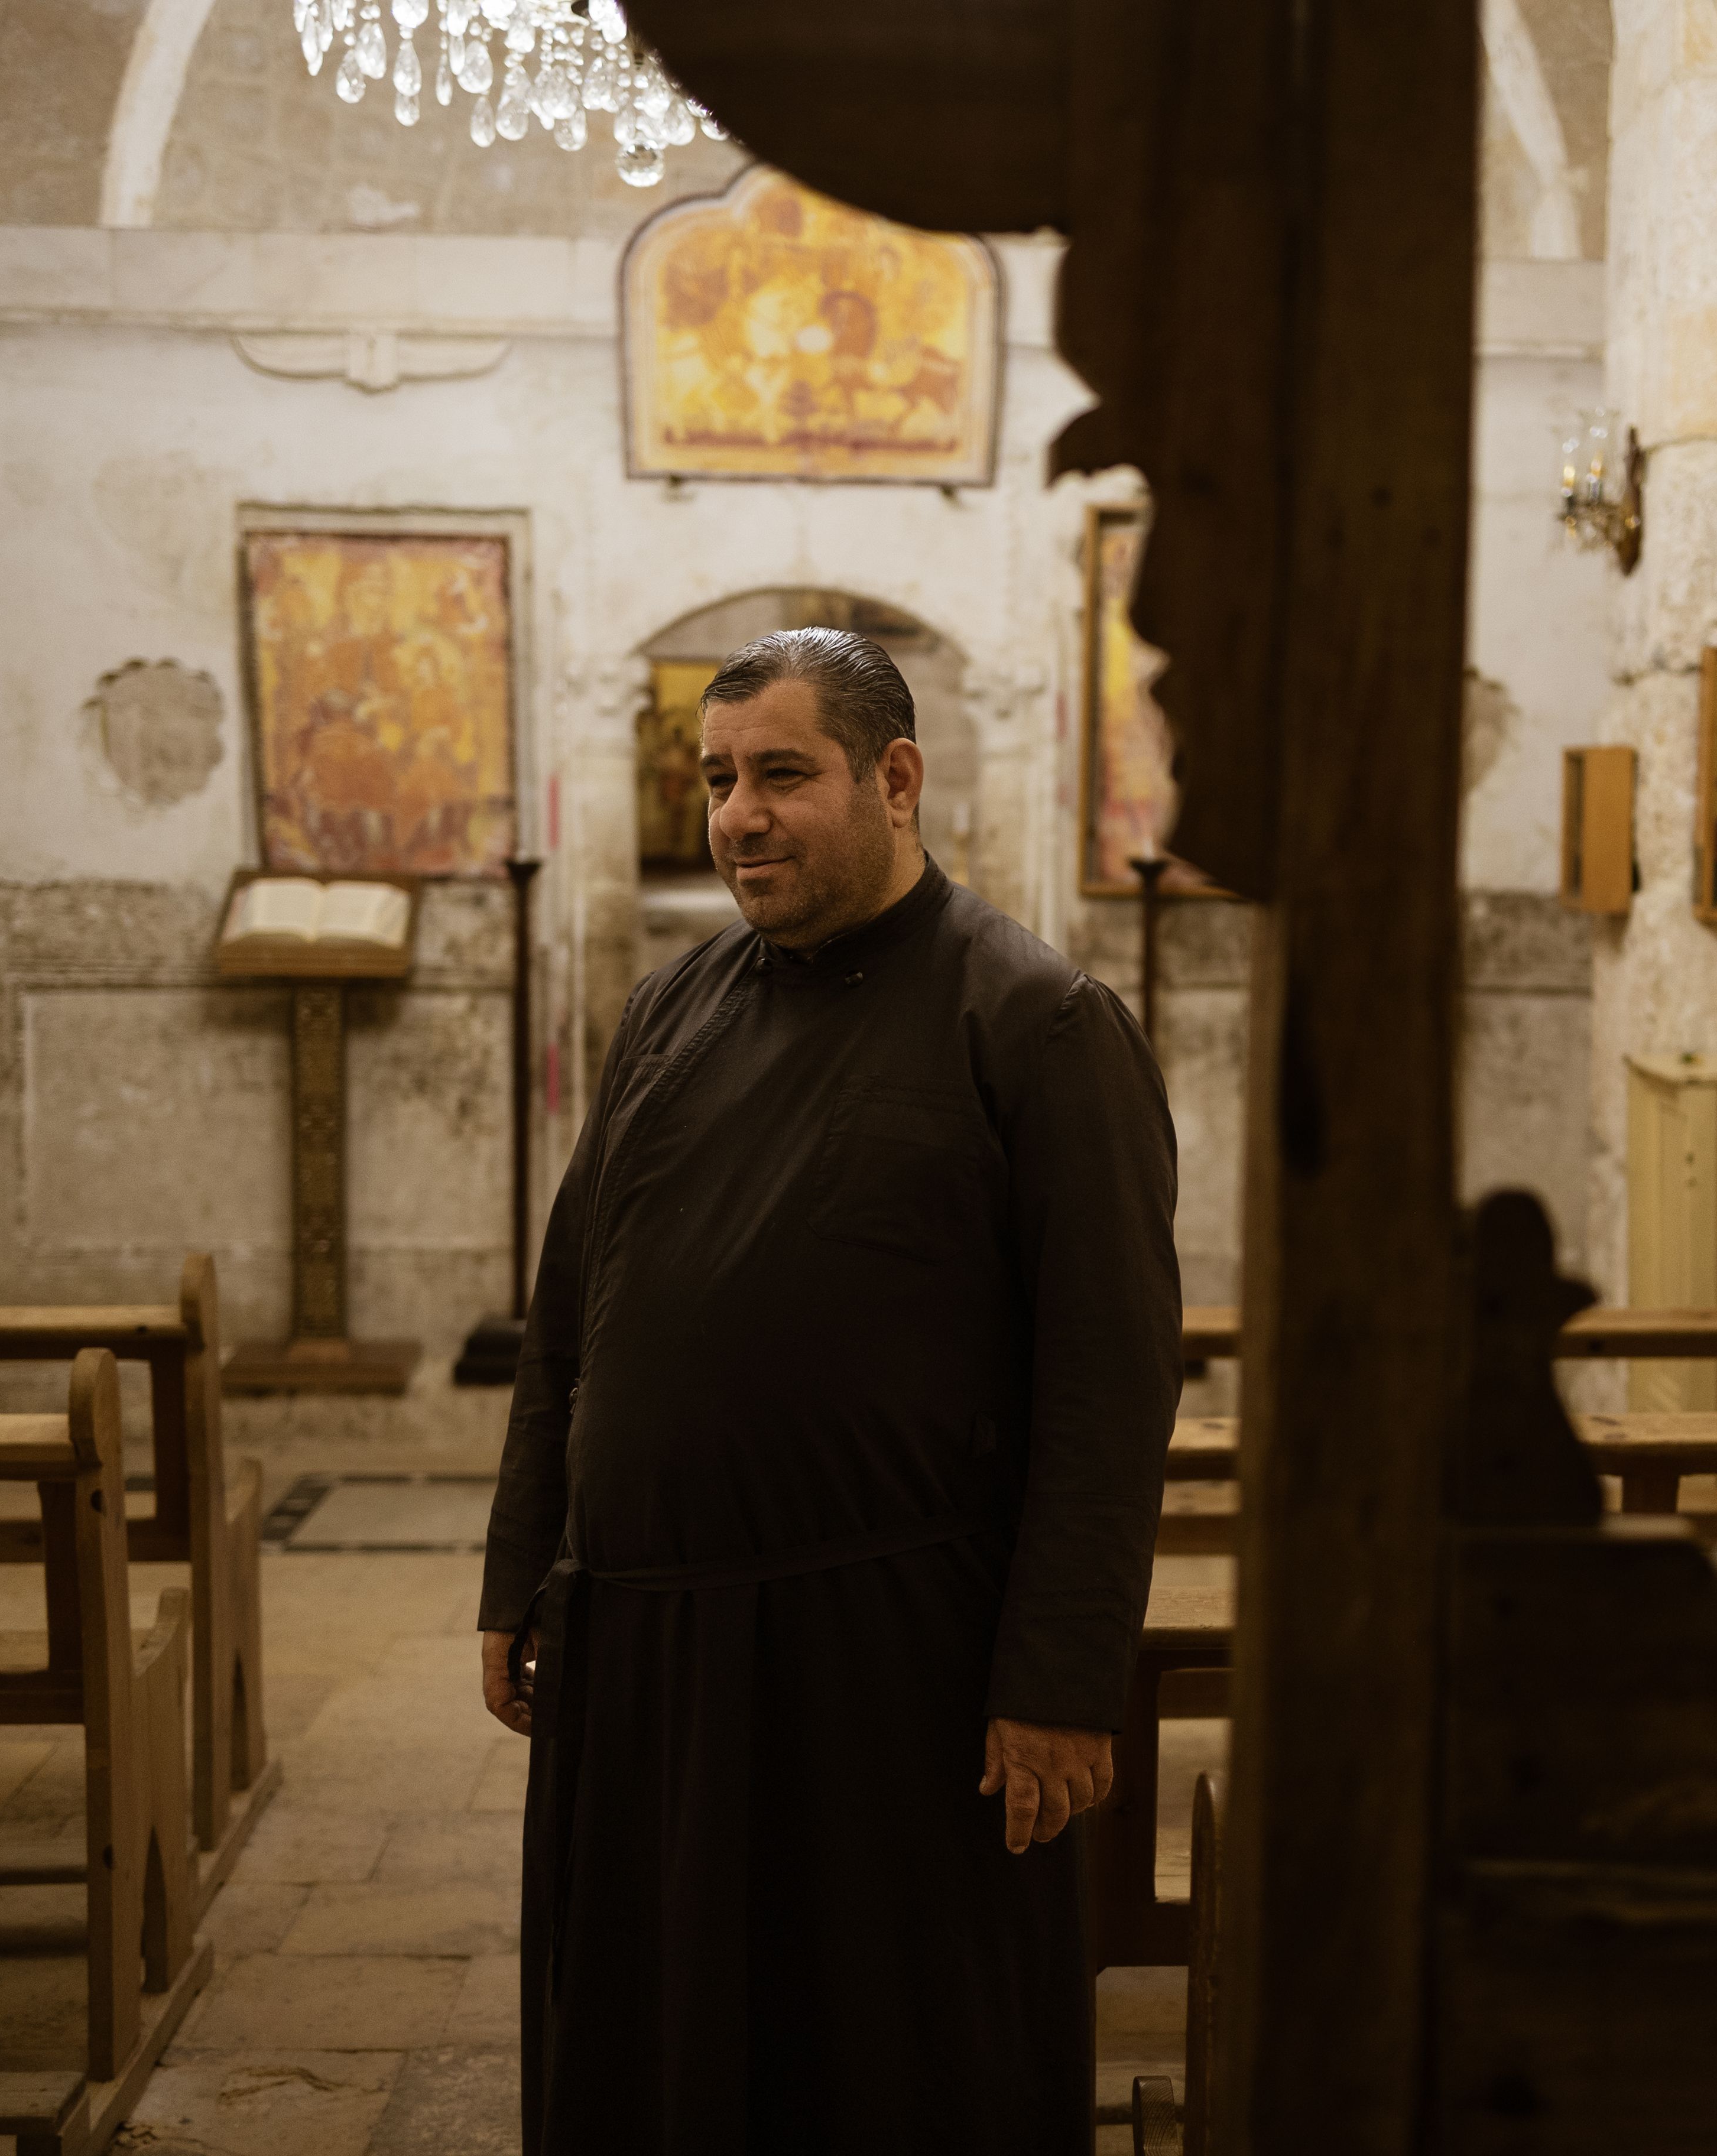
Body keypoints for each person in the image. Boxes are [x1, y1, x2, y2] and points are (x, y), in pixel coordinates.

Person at [479, 626, 1180, 2154]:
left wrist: (1063, 1684)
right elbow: (569, 1316)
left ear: (896, 778)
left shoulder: (1039, 1023)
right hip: (648, 1652)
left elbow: (1110, 1386)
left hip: (889, 1667)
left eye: (782, 775)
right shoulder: (667, 1011)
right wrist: (520, 1566)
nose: (738, 815)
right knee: (654, 2060)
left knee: (889, 2067)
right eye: (718, 779)